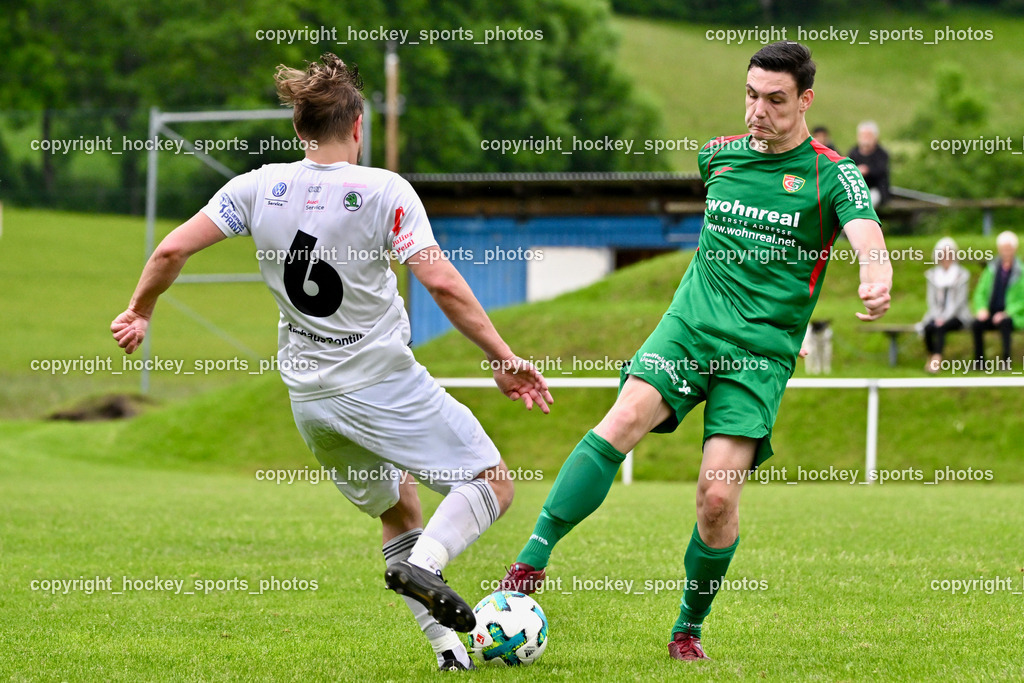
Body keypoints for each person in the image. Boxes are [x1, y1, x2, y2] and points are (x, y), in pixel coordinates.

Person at [110, 53, 553, 672]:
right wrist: (501, 357)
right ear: (358, 126)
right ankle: (426, 565)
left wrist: (139, 310)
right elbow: (442, 282)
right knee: (491, 482)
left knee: (399, 507)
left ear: (299, 128)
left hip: (310, 401)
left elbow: (170, 250)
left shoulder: (255, 187)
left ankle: (449, 653)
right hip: (380, 381)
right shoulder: (385, 190)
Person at [499, 41, 892, 661]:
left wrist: (876, 271)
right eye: (751, 96)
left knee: (716, 498)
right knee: (622, 420)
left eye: (776, 100)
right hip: (689, 328)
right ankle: (529, 563)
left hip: (758, 355)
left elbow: (866, 232)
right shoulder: (718, 157)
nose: (758, 111)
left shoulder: (832, 174)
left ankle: (688, 628)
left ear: (806, 101)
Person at [972, 230, 1024, 367]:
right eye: (1003, 249)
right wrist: (981, 309)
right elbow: (980, 292)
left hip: (1012, 315)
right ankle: (979, 362)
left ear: (1014, 249)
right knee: (976, 324)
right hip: (991, 312)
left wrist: (1007, 313)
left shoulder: (1021, 271)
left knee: (1005, 323)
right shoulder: (991, 269)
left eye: (1008, 249)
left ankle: (1006, 361)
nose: (1005, 252)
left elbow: (1022, 300)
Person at [920, 237, 972, 373]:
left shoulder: (962, 275)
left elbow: (960, 301)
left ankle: (936, 360)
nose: (946, 258)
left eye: (949, 254)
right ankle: (931, 355)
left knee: (941, 328)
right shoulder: (932, 275)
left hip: (957, 316)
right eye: (943, 254)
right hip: (937, 315)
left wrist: (944, 318)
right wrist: (937, 316)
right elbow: (931, 300)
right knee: (928, 328)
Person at [846, 120, 890, 207]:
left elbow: (882, 171)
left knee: (869, 201)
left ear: (875, 137)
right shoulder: (853, 153)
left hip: (876, 189)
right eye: (863, 135)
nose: (866, 138)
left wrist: (868, 170)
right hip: (856, 189)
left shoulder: (881, 154)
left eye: (868, 136)